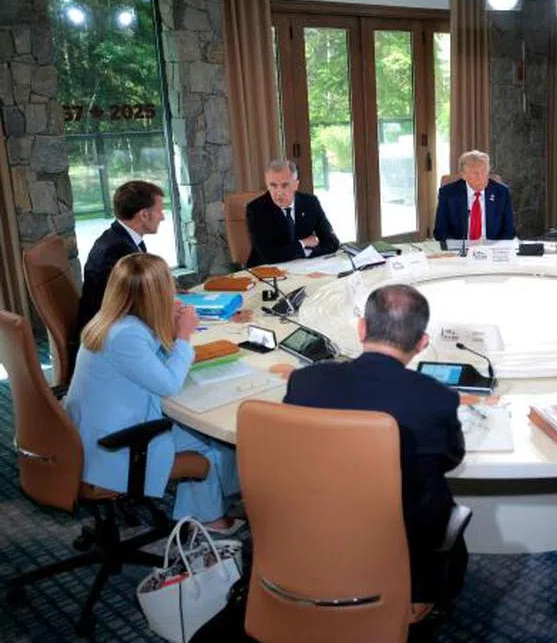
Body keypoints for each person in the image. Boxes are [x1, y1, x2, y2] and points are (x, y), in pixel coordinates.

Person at [284, 284, 466, 602]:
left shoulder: (304, 382)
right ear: (422, 343)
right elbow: (450, 459)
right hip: (399, 555)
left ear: (361, 328)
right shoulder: (437, 399)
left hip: (309, 539)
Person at [65, 254, 241, 531]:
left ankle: (201, 514)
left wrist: (167, 331)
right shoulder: (126, 336)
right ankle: (211, 521)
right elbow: (168, 384)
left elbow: (148, 365)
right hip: (115, 449)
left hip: (96, 435)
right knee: (212, 445)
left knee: (206, 438)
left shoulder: (112, 321)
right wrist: (182, 336)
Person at [75, 180, 166, 338]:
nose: (163, 217)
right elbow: (136, 305)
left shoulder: (123, 239)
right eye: (160, 211)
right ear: (144, 215)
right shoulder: (117, 250)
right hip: (108, 338)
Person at [246, 159, 339, 267]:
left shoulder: (310, 203)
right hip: (266, 272)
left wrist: (306, 253)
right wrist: (303, 244)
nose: (279, 192)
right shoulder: (256, 209)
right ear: (267, 185)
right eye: (273, 185)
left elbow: (332, 242)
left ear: (296, 185)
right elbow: (269, 256)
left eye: (285, 185)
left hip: (304, 268)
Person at [433, 150, 516, 244]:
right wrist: (457, 247)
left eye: (484, 171)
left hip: (492, 250)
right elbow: (440, 231)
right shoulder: (448, 193)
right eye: (475, 173)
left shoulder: (501, 192)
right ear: (463, 175)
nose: (480, 177)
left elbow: (509, 230)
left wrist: (496, 248)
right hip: (460, 250)